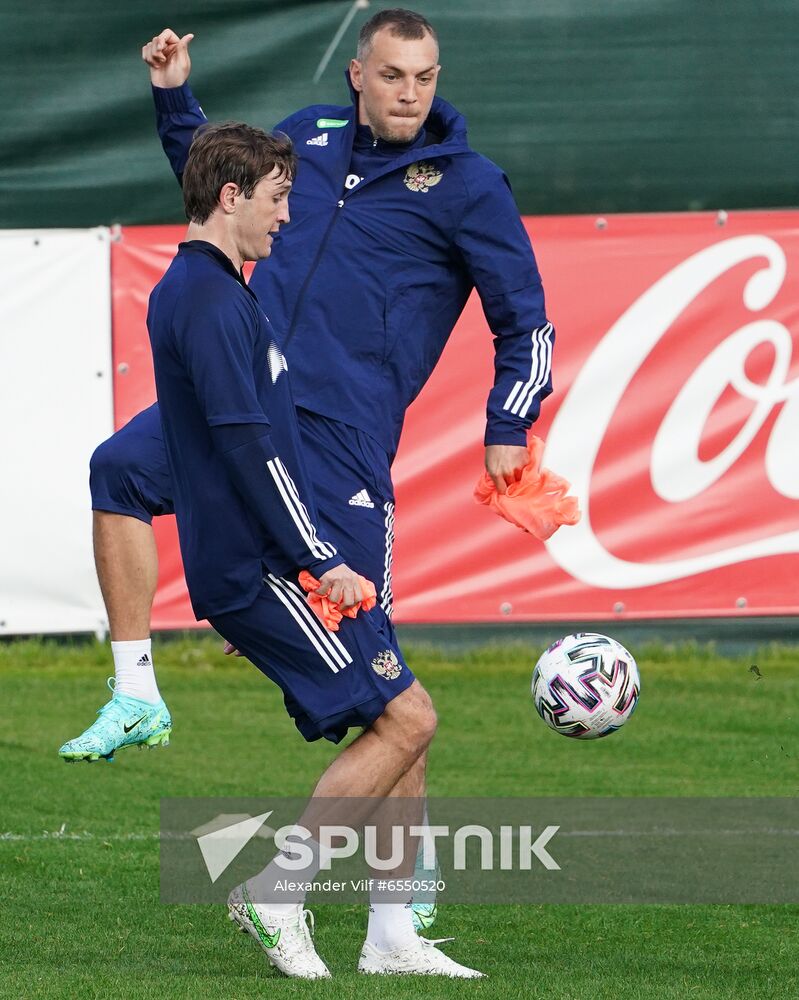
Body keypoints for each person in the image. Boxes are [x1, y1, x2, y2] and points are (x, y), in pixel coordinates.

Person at [61, 9, 552, 914]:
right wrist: (175, 100)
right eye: (394, 74)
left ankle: (398, 910)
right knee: (116, 471)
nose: (411, 92)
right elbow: (224, 196)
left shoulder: (469, 185)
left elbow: (527, 321)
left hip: (338, 445)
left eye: (426, 77)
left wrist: (508, 422)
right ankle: (135, 690)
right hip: (239, 402)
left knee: (386, 687)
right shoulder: (310, 136)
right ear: (357, 74)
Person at [144, 119, 482, 979]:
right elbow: (247, 448)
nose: (287, 218)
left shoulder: (207, 288)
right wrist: (315, 559)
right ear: (231, 197)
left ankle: (391, 936)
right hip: (266, 565)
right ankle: (277, 891)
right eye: (278, 197)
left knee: (400, 721)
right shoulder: (213, 301)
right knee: (410, 717)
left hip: (254, 563)